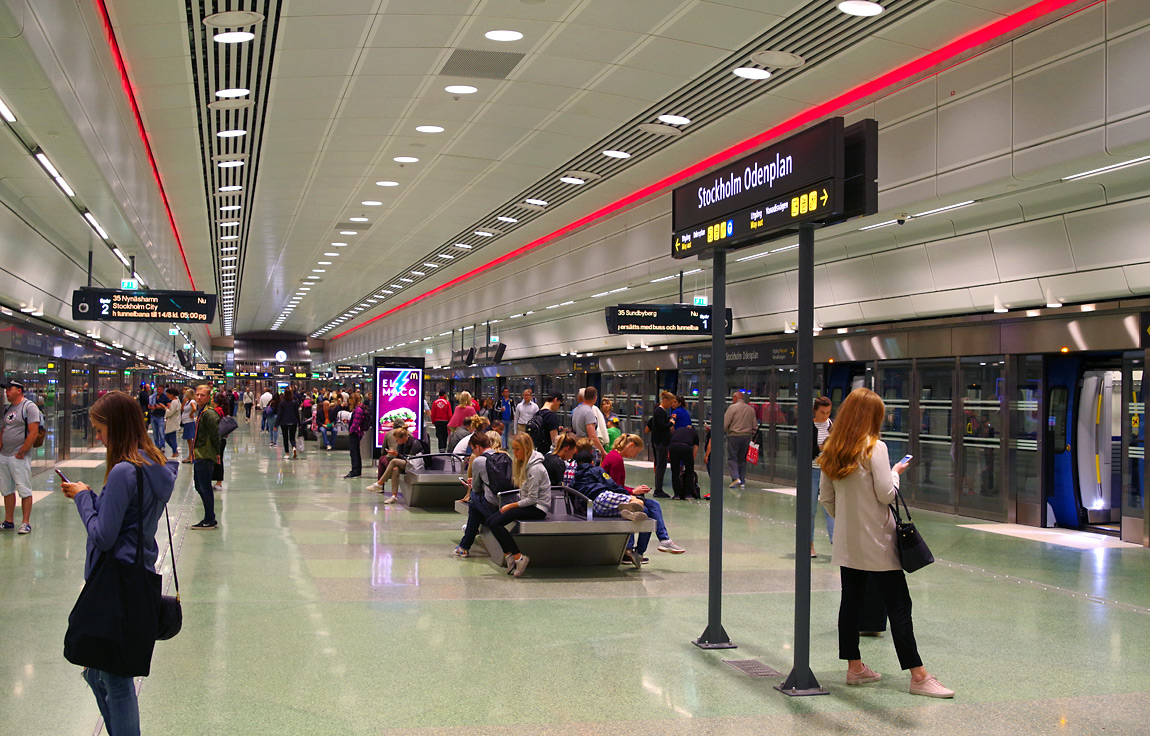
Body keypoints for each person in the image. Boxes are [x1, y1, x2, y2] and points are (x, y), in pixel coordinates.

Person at [819, 387, 953, 698]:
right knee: (899, 605)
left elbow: (826, 498)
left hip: (848, 542)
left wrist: (851, 519)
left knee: (850, 602)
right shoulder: (874, 448)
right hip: (878, 542)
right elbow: (886, 494)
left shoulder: (832, 449)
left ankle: (855, 668)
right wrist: (895, 473)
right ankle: (918, 675)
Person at [59, 391, 177, 736]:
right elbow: (129, 519)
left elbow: (104, 536)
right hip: (138, 575)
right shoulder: (154, 465)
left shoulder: (125, 471)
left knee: (115, 680)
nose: (97, 436)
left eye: (99, 429)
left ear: (116, 427)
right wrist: (94, 497)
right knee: (99, 671)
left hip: (115, 583)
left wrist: (82, 497)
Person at [602, 434, 686, 559]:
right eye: (635, 452)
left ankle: (641, 550)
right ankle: (654, 544)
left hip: (614, 495)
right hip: (613, 498)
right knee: (649, 509)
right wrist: (634, 491)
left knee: (649, 509)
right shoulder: (616, 460)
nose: (635, 455)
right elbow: (615, 487)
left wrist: (633, 490)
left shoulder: (613, 456)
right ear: (630, 446)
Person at [483, 433, 551, 577]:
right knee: (490, 521)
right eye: (513, 448)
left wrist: (512, 505)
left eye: (517, 449)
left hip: (538, 508)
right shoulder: (525, 465)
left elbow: (533, 499)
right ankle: (508, 555)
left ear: (526, 449)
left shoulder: (535, 469)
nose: (515, 453)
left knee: (497, 523)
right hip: (528, 505)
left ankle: (518, 557)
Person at [0, 380, 40, 534]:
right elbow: (4, 430)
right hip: (4, 455)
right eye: (6, 390)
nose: (7, 392)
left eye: (10, 389)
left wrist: (23, 451)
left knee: (24, 489)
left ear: (19, 390)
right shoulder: (7, 408)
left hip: (19, 456)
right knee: (7, 490)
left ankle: (25, 522)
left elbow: (34, 432)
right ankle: (9, 521)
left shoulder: (29, 407)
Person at [454, 431, 500, 557]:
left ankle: (465, 545)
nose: (473, 452)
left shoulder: (479, 461)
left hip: (492, 504)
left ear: (478, 447)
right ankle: (464, 545)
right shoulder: (503, 456)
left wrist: (472, 484)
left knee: (473, 501)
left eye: (473, 449)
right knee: (476, 507)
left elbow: (476, 487)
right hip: (505, 500)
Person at [190, 384, 220, 529]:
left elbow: (216, 435)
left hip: (205, 454)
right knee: (199, 485)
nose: (199, 397)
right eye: (197, 394)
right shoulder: (200, 412)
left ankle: (209, 518)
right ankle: (209, 516)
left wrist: (217, 453)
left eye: (202, 395)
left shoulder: (209, 414)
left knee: (205, 487)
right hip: (198, 454)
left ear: (208, 397)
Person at [369, 423, 419, 502]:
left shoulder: (414, 443)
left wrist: (396, 454)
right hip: (407, 463)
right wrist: (397, 455)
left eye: (397, 440)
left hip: (415, 465)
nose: (396, 442)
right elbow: (402, 457)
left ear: (403, 437)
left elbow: (411, 459)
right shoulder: (401, 444)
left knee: (394, 461)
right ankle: (394, 496)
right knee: (395, 469)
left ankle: (380, 483)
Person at [812, 396, 835, 558]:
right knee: (810, 510)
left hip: (828, 472)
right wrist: (821, 447)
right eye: (822, 412)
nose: (825, 416)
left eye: (828, 412)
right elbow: (802, 450)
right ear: (815, 411)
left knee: (831, 509)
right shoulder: (809, 426)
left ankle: (836, 544)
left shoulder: (832, 426)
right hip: (811, 472)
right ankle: (810, 544)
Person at [724, 390, 756, 488]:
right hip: (747, 436)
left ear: (735, 398)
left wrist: (723, 432)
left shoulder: (732, 408)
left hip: (734, 435)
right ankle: (742, 481)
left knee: (732, 458)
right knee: (742, 459)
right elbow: (755, 425)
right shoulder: (750, 409)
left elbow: (725, 423)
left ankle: (735, 478)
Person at [645, 391, 674, 498]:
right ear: (665, 400)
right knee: (661, 466)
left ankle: (659, 488)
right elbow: (662, 426)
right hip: (661, 442)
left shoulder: (660, 412)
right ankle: (658, 489)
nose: (671, 406)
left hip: (661, 442)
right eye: (670, 403)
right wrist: (671, 423)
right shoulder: (659, 411)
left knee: (661, 465)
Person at [668, 419, 700, 500]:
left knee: (675, 471)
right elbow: (695, 451)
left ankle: (677, 495)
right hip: (686, 447)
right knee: (689, 471)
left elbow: (672, 439)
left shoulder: (679, 430)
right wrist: (690, 462)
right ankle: (687, 494)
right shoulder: (695, 434)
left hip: (673, 447)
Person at [572, 387, 606, 457]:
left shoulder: (576, 410)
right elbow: (592, 436)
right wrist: (602, 451)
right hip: (587, 449)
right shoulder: (589, 412)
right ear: (595, 398)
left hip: (577, 447)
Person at [345, 393, 368, 478]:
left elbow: (356, 423)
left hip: (356, 434)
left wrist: (351, 431)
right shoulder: (360, 408)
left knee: (354, 452)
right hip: (357, 433)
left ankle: (355, 470)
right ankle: (357, 470)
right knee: (356, 452)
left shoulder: (358, 409)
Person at [212, 392, 230, 491]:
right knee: (219, 459)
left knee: (217, 460)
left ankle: (218, 482)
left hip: (217, 439)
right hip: (222, 438)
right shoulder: (222, 410)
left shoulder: (216, 411)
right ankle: (218, 482)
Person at [277, 388, 301, 460]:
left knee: (285, 438)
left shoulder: (282, 403)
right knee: (292, 437)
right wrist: (299, 423)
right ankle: (293, 447)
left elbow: (280, 414)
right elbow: (297, 414)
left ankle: (287, 453)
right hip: (293, 421)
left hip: (284, 422)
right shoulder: (294, 403)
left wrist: (276, 424)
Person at [162, 387, 182, 458]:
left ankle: (174, 452)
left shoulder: (174, 402)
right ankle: (175, 450)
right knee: (167, 437)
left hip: (173, 422)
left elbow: (170, 413)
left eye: (168, 395)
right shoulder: (177, 401)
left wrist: (164, 408)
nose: (167, 396)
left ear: (172, 394)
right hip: (173, 422)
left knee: (172, 438)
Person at [148, 384, 168, 449]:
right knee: (155, 433)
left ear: (163, 390)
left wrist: (161, 407)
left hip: (160, 417)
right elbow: (148, 405)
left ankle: (162, 445)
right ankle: (156, 445)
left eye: (161, 390)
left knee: (161, 432)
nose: (159, 391)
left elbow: (168, 406)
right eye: (158, 389)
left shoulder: (165, 397)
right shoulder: (153, 397)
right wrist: (152, 408)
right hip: (153, 416)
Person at [180, 388, 197, 463]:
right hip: (186, 422)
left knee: (190, 440)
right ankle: (190, 455)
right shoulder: (187, 402)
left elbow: (194, 408)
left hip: (189, 422)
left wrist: (191, 414)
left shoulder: (192, 402)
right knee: (188, 440)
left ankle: (191, 456)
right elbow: (182, 409)